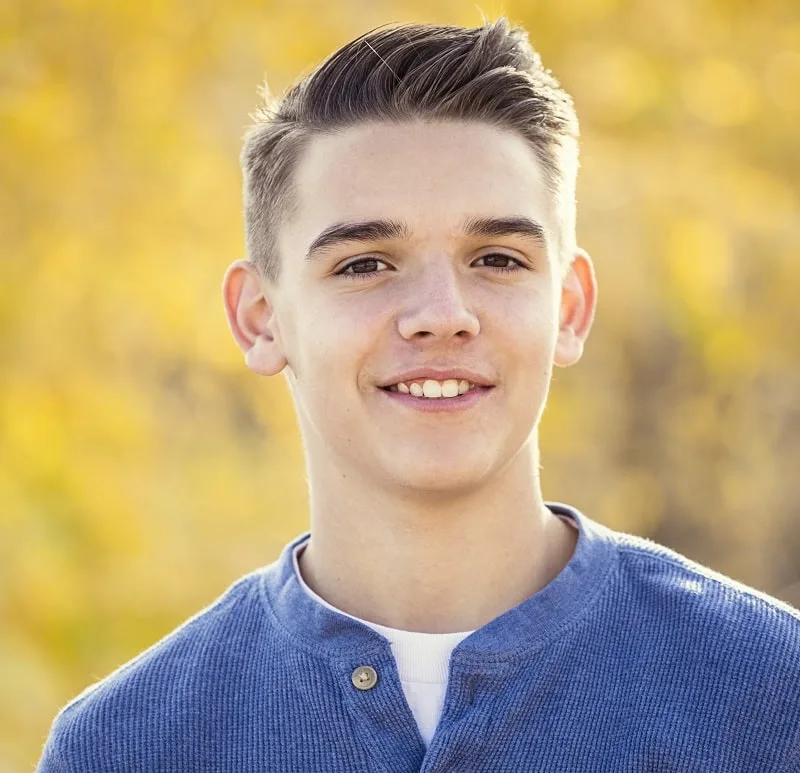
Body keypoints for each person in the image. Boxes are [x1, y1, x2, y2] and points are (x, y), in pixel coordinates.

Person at [37, 17, 800, 772]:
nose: (443, 315)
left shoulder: (773, 696)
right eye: (366, 264)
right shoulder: (124, 745)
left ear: (569, 308)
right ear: (261, 318)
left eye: (497, 258)